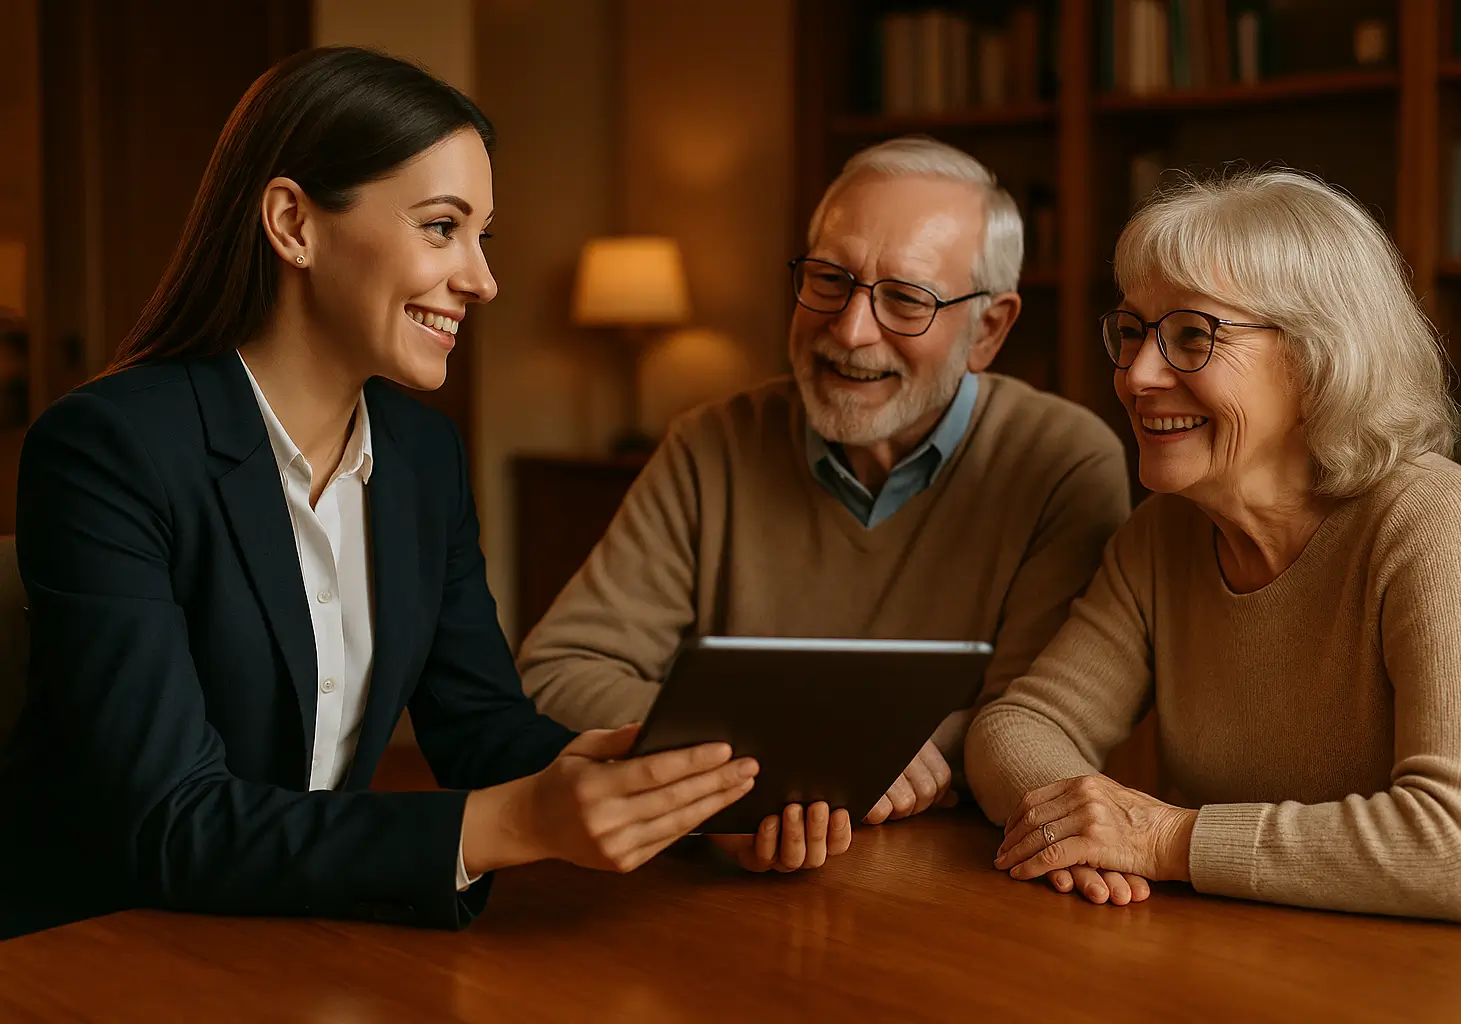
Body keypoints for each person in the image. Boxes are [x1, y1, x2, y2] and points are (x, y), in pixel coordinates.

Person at [0, 47, 759, 940]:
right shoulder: (109, 450)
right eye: (442, 227)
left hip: (303, 935)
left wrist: (670, 791)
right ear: (293, 224)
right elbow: (171, 818)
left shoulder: (423, 456)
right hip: (98, 946)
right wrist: (513, 823)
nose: (483, 279)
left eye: (483, 235)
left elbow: (480, 728)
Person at [517, 137, 1131, 874]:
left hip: (959, 877)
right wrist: (766, 756)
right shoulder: (711, 443)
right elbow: (558, 672)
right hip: (710, 870)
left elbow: (1033, 720)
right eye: (827, 280)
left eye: (906, 299)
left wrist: (778, 755)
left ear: (989, 329)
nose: (848, 330)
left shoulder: (1061, 461)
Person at [971, 169, 1461, 924]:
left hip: (1458, 975)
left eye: (1192, 337)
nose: (1136, 375)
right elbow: (1018, 727)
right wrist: (1075, 828)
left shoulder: (1434, 519)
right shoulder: (1162, 536)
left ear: (1317, 359)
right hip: (1250, 954)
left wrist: (1167, 838)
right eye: (1133, 331)